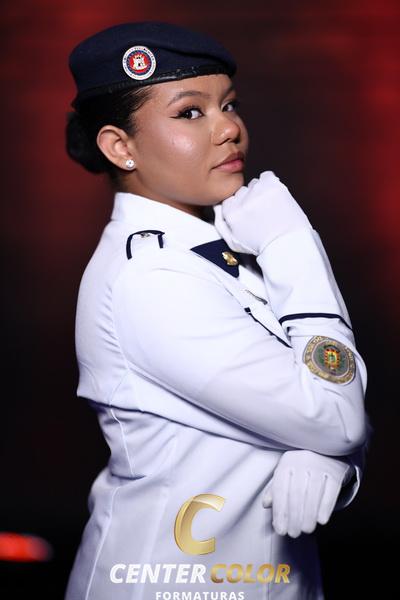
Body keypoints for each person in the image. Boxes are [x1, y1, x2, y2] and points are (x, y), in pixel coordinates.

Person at [64, 21, 371, 600]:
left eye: (229, 105)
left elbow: (335, 386)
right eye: (190, 112)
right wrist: (293, 247)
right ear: (120, 147)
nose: (230, 128)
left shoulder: (221, 244)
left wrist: (338, 458)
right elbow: (336, 411)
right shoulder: (152, 279)